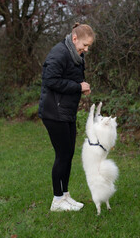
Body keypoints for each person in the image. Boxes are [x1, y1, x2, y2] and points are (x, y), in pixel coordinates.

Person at [38, 23, 95, 211]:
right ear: (74, 38)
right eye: (84, 45)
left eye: (88, 47)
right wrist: (78, 87)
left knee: (68, 154)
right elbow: (50, 80)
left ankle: (65, 195)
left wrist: (81, 86)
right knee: (62, 155)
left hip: (66, 110)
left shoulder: (75, 54)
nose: (86, 50)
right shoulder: (59, 53)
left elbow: (70, 76)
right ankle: (57, 200)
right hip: (54, 112)